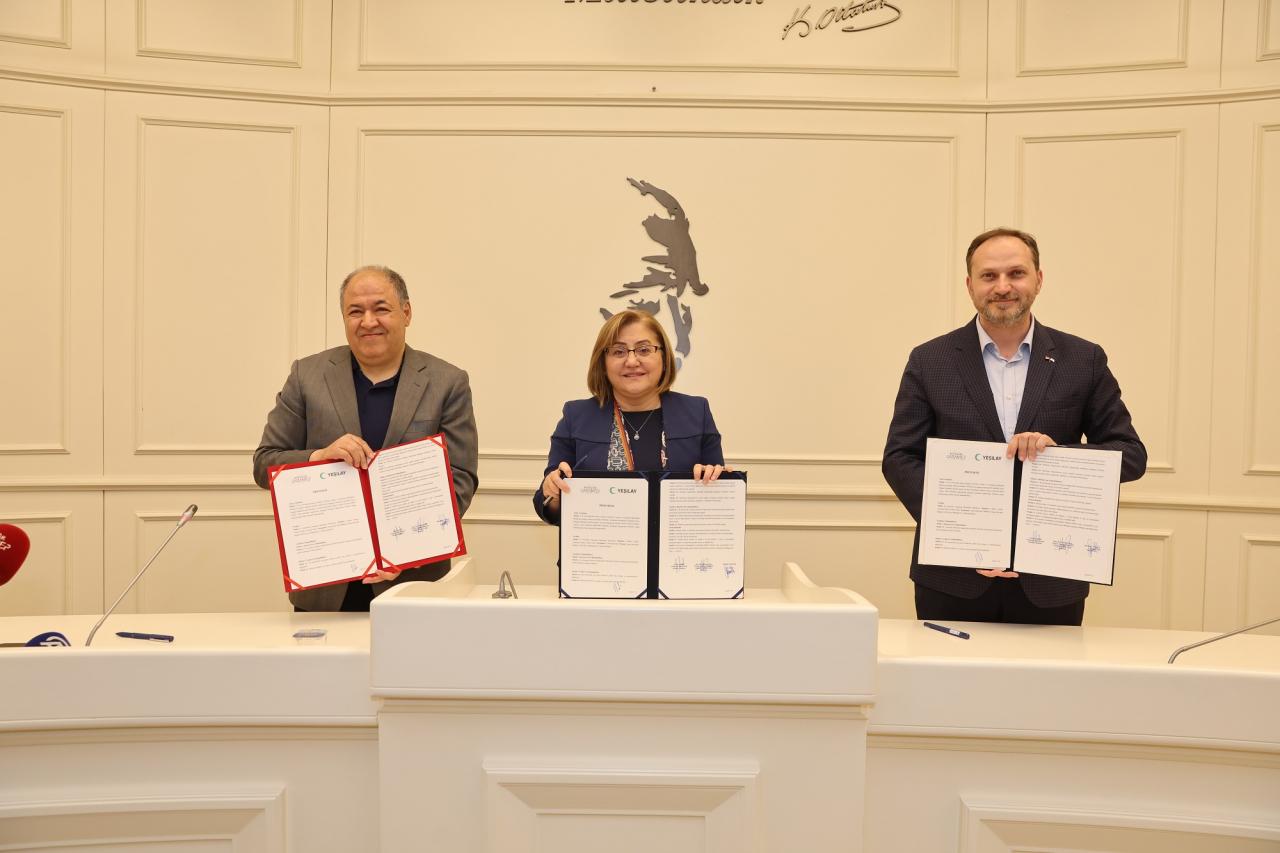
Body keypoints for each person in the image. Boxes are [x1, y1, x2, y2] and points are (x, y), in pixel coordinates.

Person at [882, 228, 1146, 625]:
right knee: (947, 670)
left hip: (1051, 579)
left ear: (1038, 279)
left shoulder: (1084, 359)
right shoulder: (929, 360)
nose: (1003, 287)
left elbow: (1131, 455)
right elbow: (900, 458)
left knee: (1051, 671)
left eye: (1016, 273)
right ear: (970, 285)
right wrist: (962, 534)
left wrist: (1058, 456)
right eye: (989, 276)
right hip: (953, 579)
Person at [254, 265, 478, 612]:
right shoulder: (306, 376)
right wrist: (318, 457)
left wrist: (409, 552)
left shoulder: (447, 382)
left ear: (406, 313)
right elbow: (264, 462)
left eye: (381, 308)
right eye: (355, 312)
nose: (368, 321)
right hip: (325, 587)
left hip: (413, 586)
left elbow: (460, 478)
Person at [535, 310, 726, 523]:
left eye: (644, 350)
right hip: (602, 544)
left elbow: (717, 501)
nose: (632, 361)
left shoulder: (697, 412)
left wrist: (717, 482)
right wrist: (553, 494)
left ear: (664, 357)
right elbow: (548, 505)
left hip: (678, 543)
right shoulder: (576, 416)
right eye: (618, 352)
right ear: (603, 362)